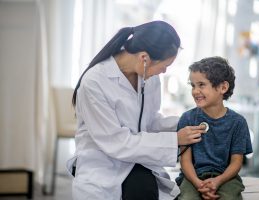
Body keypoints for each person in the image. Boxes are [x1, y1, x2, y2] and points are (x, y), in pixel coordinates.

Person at [66, 20, 204, 200]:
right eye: (164, 66)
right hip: (102, 164)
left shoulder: (149, 77)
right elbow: (116, 142)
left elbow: (149, 121)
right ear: (144, 58)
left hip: (135, 161)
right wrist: (175, 140)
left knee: (145, 189)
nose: (163, 72)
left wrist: (186, 121)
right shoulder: (94, 82)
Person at [176, 56, 253, 200]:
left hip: (226, 178)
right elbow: (185, 161)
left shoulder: (238, 123)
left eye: (201, 85)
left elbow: (236, 162)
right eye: (193, 85)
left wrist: (218, 181)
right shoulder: (187, 119)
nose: (195, 91)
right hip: (193, 177)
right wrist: (198, 183)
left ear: (223, 87)